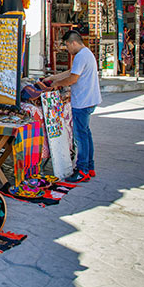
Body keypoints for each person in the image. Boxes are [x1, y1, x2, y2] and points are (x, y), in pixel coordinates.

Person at [44, 31, 101, 183]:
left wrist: (56, 84)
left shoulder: (81, 55)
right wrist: (52, 78)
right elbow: (71, 72)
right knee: (86, 134)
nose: (67, 49)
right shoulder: (86, 54)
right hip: (89, 100)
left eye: (67, 46)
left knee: (81, 137)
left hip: (83, 102)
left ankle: (82, 170)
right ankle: (89, 167)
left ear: (73, 43)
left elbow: (73, 78)